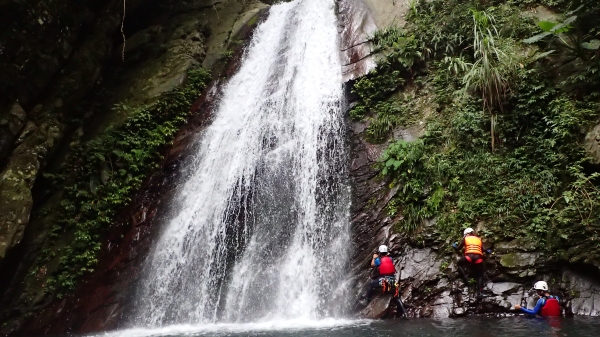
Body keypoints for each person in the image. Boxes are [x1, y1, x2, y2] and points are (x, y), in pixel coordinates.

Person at [364, 245, 406, 317]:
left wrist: (374, 257)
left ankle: (366, 299)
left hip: (384, 280)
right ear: (386, 252)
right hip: (393, 280)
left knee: (370, 285)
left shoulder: (378, 260)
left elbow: (372, 264)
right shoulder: (390, 258)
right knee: (397, 298)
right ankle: (405, 313)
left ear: (380, 252)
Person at [452, 228, 489, 298]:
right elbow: (484, 250)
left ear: (467, 234)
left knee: (459, 264)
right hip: (478, 258)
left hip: (469, 257)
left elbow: (458, 248)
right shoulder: (479, 239)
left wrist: (454, 246)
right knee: (480, 275)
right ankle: (480, 293)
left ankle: (465, 277)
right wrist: (488, 251)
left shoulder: (465, 239)